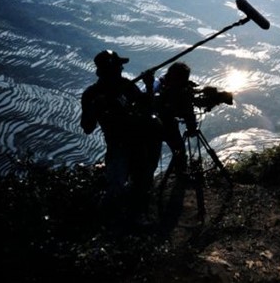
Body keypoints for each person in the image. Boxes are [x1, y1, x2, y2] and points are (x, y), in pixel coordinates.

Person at [80, 50, 156, 224]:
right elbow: (87, 127)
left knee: (141, 185)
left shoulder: (126, 86)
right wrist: (95, 108)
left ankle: (136, 223)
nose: (122, 68)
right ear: (111, 70)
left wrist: (149, 85)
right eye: (119, 66)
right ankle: (111, 226)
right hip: (118, 147)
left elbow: (149, 109)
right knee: (116, 189)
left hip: (137, 143)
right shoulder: (92, 95)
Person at [152, 62, 198, 178]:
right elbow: (186, 111)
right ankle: (181, 174)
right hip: (159, 124)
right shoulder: (161, 89)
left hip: (163, 122)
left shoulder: (161, 83)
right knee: (179, 150)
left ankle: (179, 173)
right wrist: (191, 126)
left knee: (176, 150)